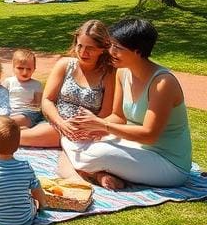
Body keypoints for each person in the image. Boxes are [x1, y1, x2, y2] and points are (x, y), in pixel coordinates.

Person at [59, 18, 192, 190]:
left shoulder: (162, 83)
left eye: (118, 48)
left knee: (99, 154)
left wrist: (102, 125)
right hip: (136, 148)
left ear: (138, 51)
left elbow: (149, 135)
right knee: (72, 140)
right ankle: (99, 174)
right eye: (111, 45)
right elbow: (118, 117)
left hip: (168, 163)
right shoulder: (122, 73)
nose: (111, 52)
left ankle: (91, 172)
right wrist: (90, 128)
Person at [19, 20, 115, 148]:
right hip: (57, 125)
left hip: (90, 132)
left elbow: (106, 113)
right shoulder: (65, 65)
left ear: (102, 49)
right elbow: (47, 100)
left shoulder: (109, 74)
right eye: (80, 46)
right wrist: (61, 124)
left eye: (90, 48)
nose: (83, 52)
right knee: (10, 138)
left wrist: (87, 129)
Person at [5, 49, 43, 129]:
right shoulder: (9, 82)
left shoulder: (36, 84)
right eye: (20, 68)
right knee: (5, 119)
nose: (25, 72)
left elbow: (38, 105)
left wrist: (34, 105)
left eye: (29, 69)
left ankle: (9, 125)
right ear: (13, 68)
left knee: (19, 119)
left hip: (27, 113)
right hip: (10, 112)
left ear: (34, 69)